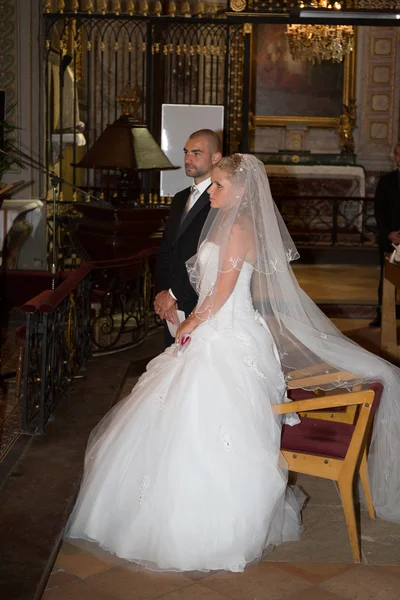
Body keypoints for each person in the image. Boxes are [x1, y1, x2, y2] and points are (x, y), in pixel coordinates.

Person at [65, 155, 400, 575]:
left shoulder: (240, 228)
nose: (213, 190)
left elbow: (220, 294)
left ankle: (214, 530)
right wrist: (182, 317)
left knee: (211, 420)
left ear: (241, 190)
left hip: (229, 334)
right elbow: (204, 283)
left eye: (220, 185)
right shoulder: (223, 222)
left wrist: (190, 322)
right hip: (214, 329)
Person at [154, 129, 222, 347]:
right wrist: (162, 293)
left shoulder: (220, 200)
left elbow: (209, 258)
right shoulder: (180, 198)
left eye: (196, 153)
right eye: (185, 152)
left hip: (200, 302)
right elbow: (166, 247)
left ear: (215, 158)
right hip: (171, 307)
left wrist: (174, 294)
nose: (187, 159)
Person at [370, 142, 400, 328]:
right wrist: (389, 233)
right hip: (390, 237)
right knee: (387, 279)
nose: (399, 158)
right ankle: (382, 315)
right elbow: (379, 211)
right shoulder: (386, 180)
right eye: (397, 154)